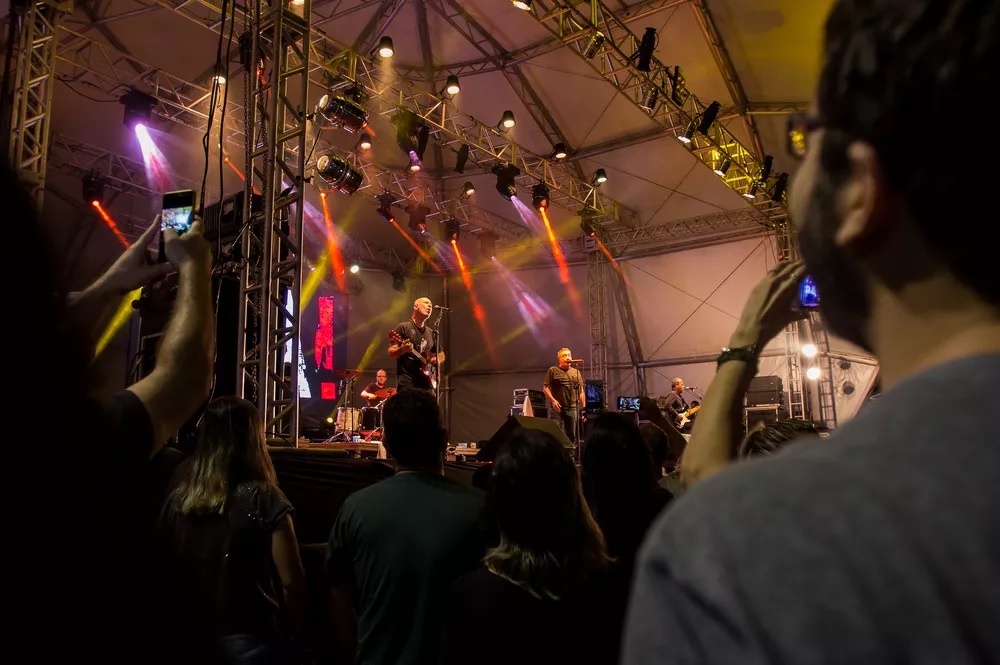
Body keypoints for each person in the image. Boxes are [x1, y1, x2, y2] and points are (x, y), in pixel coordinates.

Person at [622, 1, 1000, 662]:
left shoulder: (727, 552)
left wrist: (742, 344)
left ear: (858, 188)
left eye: (805, 137)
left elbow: (716, 498)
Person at [324, 389, 484, 665]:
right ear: (443, 439)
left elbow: (337, 594)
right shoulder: (480, 509)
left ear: (386, 442)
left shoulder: (355, 508)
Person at [154, 397, 308, 663]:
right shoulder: (265, 498)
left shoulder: (177, 499)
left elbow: (157, 565)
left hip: (187, 635)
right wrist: (301, 635)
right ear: (253, 438)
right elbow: (292, 582)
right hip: (251, 640)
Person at [388, 297, 444, 392]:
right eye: (426, 303)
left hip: (427, 384)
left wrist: (437, 360)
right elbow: (391, 353)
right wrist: (402, 349)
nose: (429, 306)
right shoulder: (403, 327)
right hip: (407, 382)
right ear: (415, 306)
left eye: (431, 305)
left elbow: (441, 354)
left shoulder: (431, 333)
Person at [542, 347, 584, 446]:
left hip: (572, 408)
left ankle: (570, 454)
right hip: (557, 408)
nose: (567, 357)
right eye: (564, 356)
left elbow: (581, 391)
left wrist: (584, 408)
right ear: (559, 359)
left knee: (571, 435)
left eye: (569, 355)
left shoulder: (576, 372)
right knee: (555, 433)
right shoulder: (553, 370)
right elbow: (545, 388)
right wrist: (553, 400)